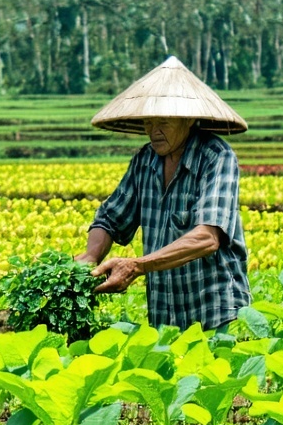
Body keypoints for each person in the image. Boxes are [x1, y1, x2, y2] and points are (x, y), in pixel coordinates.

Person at [77, 56, 252, 332]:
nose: (153, 131)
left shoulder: (216, 157)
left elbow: (207, 238)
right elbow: (110, 219)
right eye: (148, 122)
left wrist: (136, 265)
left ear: (189, 119)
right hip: (165, 316)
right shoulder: (145, 161)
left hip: (216, 313)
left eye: (163, 122)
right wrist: (90, 257)